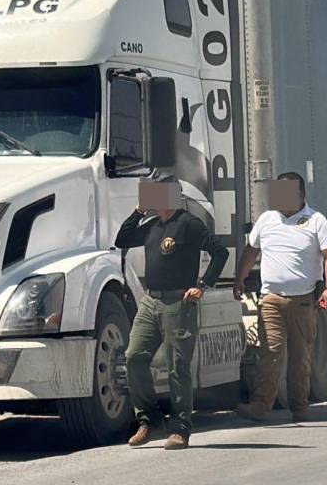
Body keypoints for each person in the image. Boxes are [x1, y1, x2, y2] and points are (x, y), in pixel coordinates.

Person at [116, 176, 228, 450]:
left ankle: (180, 428)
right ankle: (149, 421)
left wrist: (202, 285)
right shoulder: (153, 225)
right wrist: (139, 211)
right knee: (134, 356)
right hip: (151, 301)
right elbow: (122, 239)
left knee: (177, 367)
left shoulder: (188, 223)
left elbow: (220, 252)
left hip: (179, 303)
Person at [233, 172, 327, 422]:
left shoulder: (316, 220)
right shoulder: (267, 219)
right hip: (270, 299)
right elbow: (250, 251)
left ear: (301, 195)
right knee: (270, 352)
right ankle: (261, 405)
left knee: (300, 356)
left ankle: (299, 407)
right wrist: (239, 279)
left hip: (302, 301)